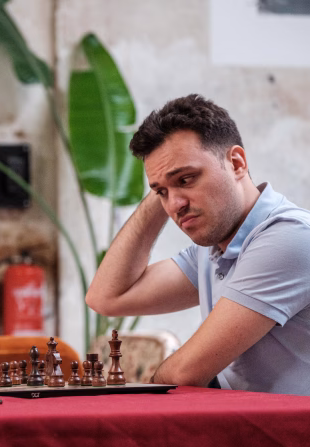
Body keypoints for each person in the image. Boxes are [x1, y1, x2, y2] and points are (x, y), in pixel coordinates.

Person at [86, 94, 310, 395]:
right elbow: (106, 298)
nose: (175, 205)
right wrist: (165, 185)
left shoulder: (289, 238)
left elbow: (185, 372)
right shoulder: (213, 249)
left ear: (236, 163)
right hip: (252, 429)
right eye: (161, 192)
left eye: (187, 179)